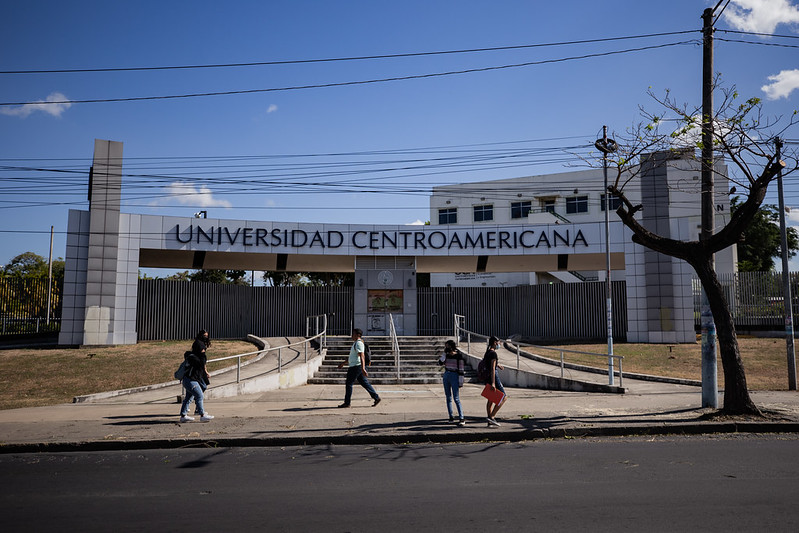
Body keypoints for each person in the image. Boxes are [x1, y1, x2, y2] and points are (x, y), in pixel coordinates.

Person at [337, 328, 381, 408]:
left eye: (353, 334)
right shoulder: (356, 344)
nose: (351, 335)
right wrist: (343, 363)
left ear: (358, 335)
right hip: (356, 366)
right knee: (364, 383)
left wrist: (363, 368)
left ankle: (347, 403)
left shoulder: (359, 344)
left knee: (349, 383)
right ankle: (376, 397)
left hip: (356, 367)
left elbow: (362, 356)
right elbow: (353, 357)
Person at [179, 329, 214, 422]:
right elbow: (202, 362)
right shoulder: (196, 360)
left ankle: (183, 416)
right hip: (191, 380)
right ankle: (201, 414)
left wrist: (205, 372)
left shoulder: (194, 359)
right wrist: (203, 356)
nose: (204, 351)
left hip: (189, 380)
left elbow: (202, 366)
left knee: (189, 397)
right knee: (199, 396)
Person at [438, 339, 466, 426]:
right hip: (447, 374)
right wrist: (444, 354)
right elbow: (440, 363)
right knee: (448, 397)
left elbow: (461, 368)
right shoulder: (446, 355)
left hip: (455, 375)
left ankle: (461, 417)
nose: (446, 348)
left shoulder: (458, 356)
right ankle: (451, 416)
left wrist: (461, 381)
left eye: (447, 346)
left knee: (456, 398)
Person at [483, 335, 506, 427]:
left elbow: (490, 364)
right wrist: (493, 383)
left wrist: (498, 365)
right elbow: (492, 368)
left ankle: (489, 420)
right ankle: (492, 417)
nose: (499, 344)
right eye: (498, 342)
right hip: (493, 377)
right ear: (494, 343)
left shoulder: (488, 352)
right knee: (503, 397)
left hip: (487, 377)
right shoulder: (493, 354)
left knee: (491, 399)